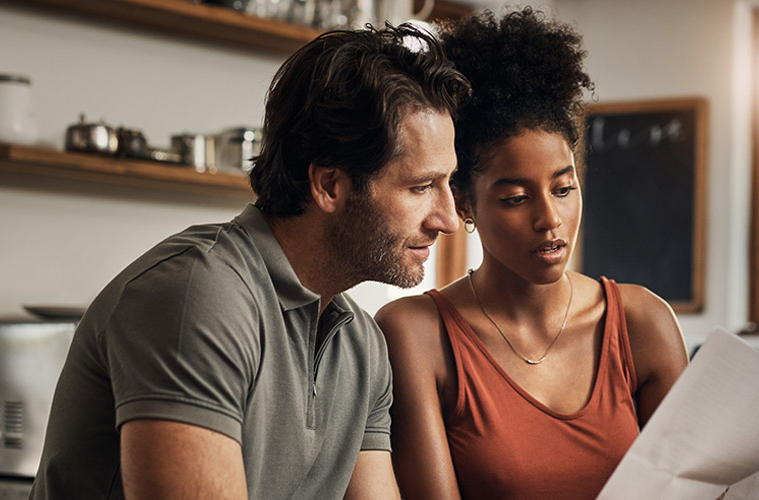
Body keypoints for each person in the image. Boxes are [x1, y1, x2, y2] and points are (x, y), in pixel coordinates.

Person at [374, 9, 759, 500]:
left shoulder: (641, 322)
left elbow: (709, 492)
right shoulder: (416, 333)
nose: (549, 219)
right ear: (463, 201)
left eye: (563, 188)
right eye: (514, 198)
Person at [30, 24, 470, 499]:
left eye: (448, 183)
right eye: (421, 187)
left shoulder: (361, 345)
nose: (447, 218)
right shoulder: (198, 296)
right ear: (329, 185)